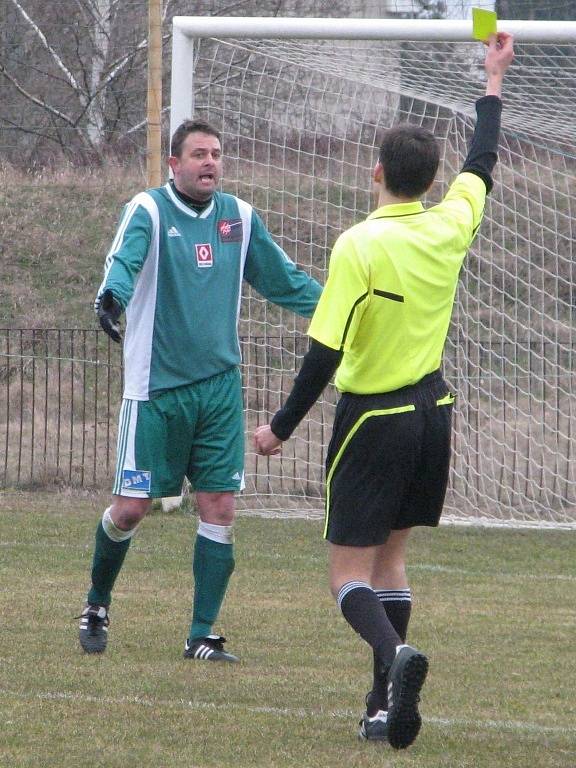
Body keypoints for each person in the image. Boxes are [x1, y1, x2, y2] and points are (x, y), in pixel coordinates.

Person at [254, 33, 514, 748]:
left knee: (347, 576)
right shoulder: (451, 222)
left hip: (375, 418)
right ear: (432, 180)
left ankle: (396, 659)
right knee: (391, 562)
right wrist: (492, 80)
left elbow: (325, 351)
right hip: (435, 412)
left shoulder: (359, 244)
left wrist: (279, 426)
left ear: (377, 172)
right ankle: (379, 705)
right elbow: (483, 160)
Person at [78, 119, 322, 662]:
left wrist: (340, 308)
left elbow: (282, 279)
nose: (209, 162)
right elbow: (124, 261)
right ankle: (97, 603)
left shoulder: (239, 216)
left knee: (219, 506)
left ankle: (201, 634)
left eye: (215, 154)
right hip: (155, 389)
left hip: (218, 389)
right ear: (174, 163)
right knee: (131, 509)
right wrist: (111, 298)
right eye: (197, 154)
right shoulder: (148, 210)